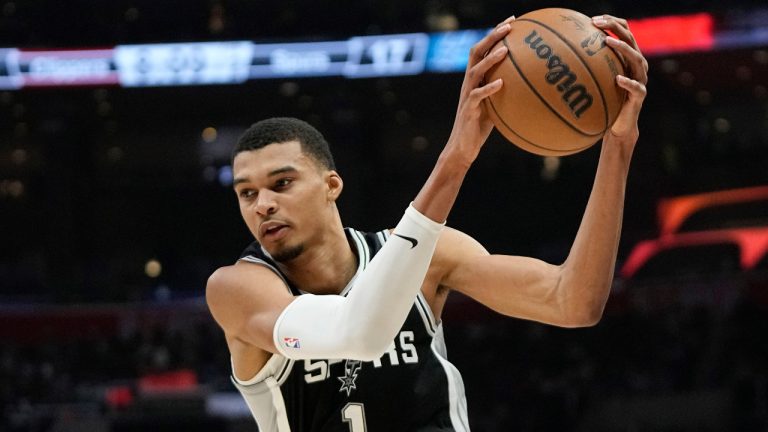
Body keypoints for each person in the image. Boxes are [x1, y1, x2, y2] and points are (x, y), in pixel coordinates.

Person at [206, 13, 648, 432]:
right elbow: (357, 333)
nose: (262, 204)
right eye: (247, 193)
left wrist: (619, 146)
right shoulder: (237, 290)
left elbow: (574, 302)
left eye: (281, 183)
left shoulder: (431, 257)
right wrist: (456, 158)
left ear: (332, 185)